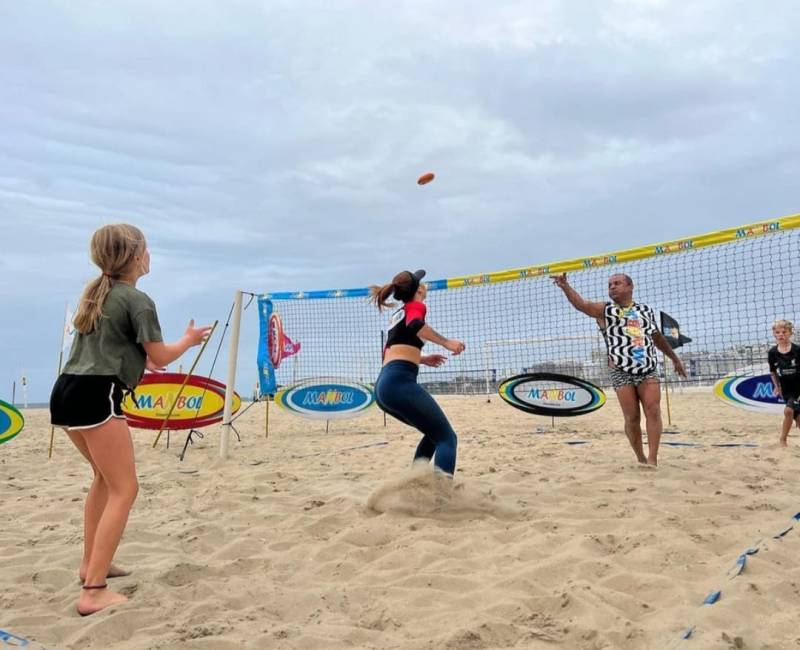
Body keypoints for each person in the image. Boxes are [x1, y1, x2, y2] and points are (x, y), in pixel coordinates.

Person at [49, 224, 211, 616]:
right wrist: (188, 341)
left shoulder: (98, 294)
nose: (150, 255)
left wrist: (145, 363)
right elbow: (163, 356)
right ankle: (93, 590)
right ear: (136, 256)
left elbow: (145, 358)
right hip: (95, 395)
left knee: (105, 481)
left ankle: (91, 565)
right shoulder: (136, 299)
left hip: (66, 392)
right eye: (147, 249)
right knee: (125, 489)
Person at [552, 272, 686, 466]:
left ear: (630, 287)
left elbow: (656, 337)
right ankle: (640, 456)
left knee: (653, 410)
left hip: (647, 368)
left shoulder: (645, 310)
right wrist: (565, 286)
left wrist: (675, 359)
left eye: (617, 283)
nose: (612, 287)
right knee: (632, 418)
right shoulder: (605, 310)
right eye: (609, 285)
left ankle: (652, 459)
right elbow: (582, 305)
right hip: (621, 371)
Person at [370, 269, 465, 476]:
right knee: (447, 438)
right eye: (422, 282)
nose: (426, 284)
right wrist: (448, 343)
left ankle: (414, 486)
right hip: (399, 383)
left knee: (433, 434)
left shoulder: (398, 314)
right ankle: (443, 498)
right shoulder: (416, 307)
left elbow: (388, 351)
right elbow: (416, 325)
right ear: (419, 289)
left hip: (383, 386)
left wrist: (421, 358)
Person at [768, 319, 800, 447]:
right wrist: (777, 387)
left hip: (798, 387)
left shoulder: (798, 350)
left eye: (784, 332)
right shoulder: (772, 352)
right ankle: (784, 439)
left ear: (790, 333)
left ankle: (782, 439)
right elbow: (773, 372)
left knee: (788, 411)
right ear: (774, 334)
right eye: (778, 332)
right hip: (785, 389)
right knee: (798, 418)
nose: (781, 334)